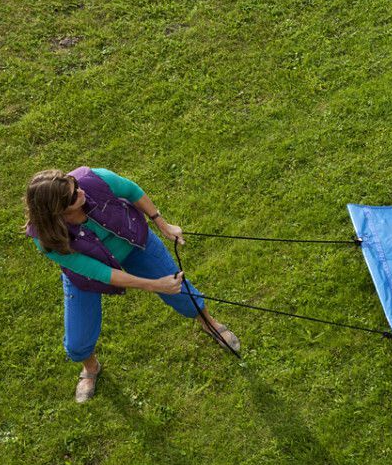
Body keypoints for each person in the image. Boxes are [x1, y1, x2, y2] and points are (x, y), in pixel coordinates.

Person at [24, 167, 240, 403]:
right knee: (77, 344)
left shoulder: (93, 179)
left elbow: (130, 190)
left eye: (74, 183)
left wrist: (162, 224)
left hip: (134, 242)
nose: (81, 191)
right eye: (73, 195)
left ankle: (209, 324)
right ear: (58, 211)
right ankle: (91, 367)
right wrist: (154, 284)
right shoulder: (45, 238)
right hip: (89, 272)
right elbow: (101, 273)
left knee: (182, 293)